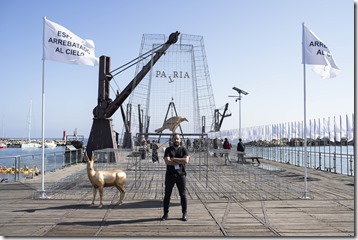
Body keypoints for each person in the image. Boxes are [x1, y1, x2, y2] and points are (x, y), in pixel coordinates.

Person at [162, 134, 190, 221]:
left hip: (181, 175)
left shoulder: (184, 149)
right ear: (172, 140)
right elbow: (167, 162)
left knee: (183, 194)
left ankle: (184, 214)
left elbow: (186, 160)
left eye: (177, 139)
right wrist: (180, 161)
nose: (176, 140)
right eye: (174, 139)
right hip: (170, 175)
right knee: (167, 195)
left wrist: (173, 159)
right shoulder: (168, 149)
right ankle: (165, 214)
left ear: (180, 140)